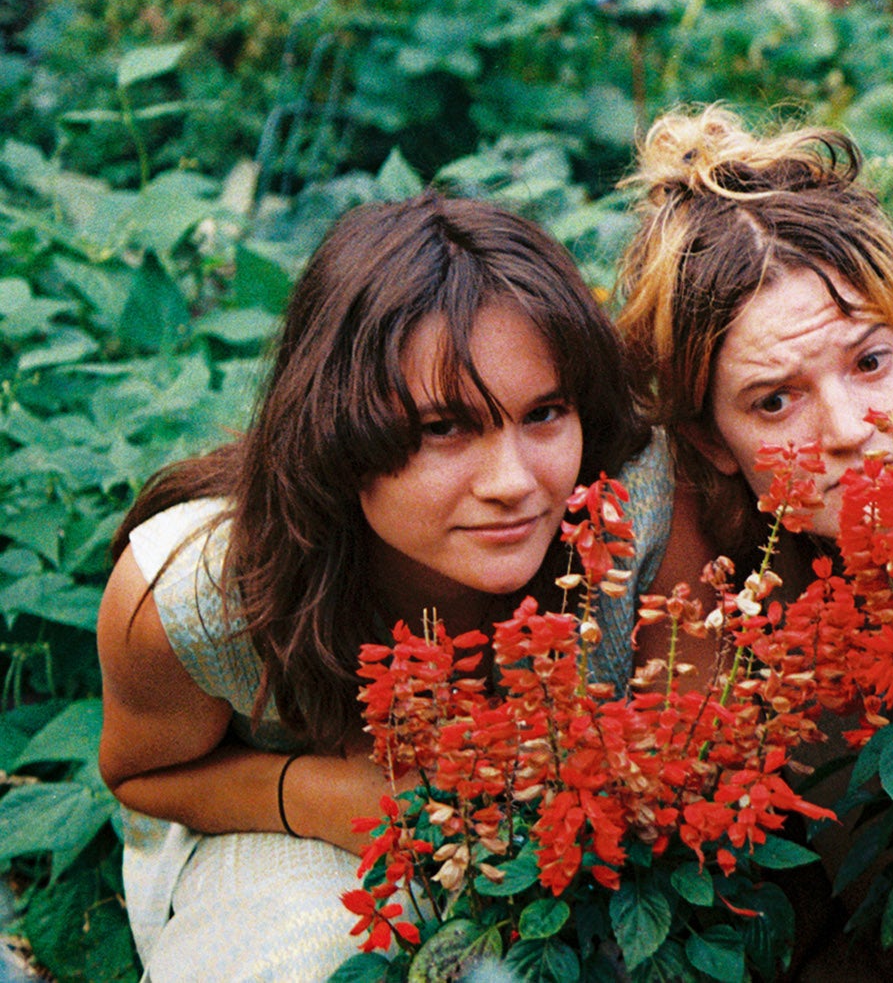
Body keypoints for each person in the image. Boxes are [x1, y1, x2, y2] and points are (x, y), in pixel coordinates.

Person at [96, 194, 649, 983]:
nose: (514, 481)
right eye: (444, 427)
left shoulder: (633, 516)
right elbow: (140, 774)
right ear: (333, 424)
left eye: (545, 413)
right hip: (302, 846)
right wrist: (323, 796)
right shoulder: (195, 591)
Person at [613, 105, 893, 981]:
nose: (849, 429)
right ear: (714, 440)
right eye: (773, 400)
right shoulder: (704, 588)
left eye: (871, 362)